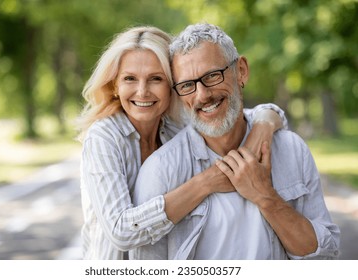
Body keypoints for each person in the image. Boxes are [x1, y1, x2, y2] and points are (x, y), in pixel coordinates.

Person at [130, 23, 340, 260]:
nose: (202, 95)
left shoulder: (291, 149)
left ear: (241, 71)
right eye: (187, 85)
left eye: (212, 76)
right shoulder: (161, 171)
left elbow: (325, 260)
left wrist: (265, 196)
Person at [77, 25, 288, 260]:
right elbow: (121, 231)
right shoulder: (104, 137)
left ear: (173, 86)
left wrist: (263, 127)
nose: (142, 91)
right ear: (115, 85)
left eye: (156, 79)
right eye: (130, 79)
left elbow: (254, 112)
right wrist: (206, 182)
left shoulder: (175, 128)